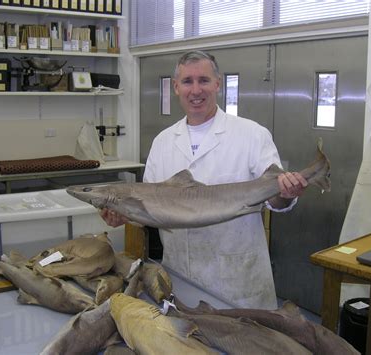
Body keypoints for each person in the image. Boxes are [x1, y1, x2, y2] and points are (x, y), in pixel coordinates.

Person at [101, 50, 307, 309]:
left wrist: (285, 193)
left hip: (237, 281)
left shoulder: (252, 134)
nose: (196, 90)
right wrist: (123, 216)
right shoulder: (163, 142)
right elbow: (149, 209)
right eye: (187, 81)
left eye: (204, 80)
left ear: (218, 84)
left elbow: (275, 198)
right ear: (176, 87)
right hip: (180, 276)